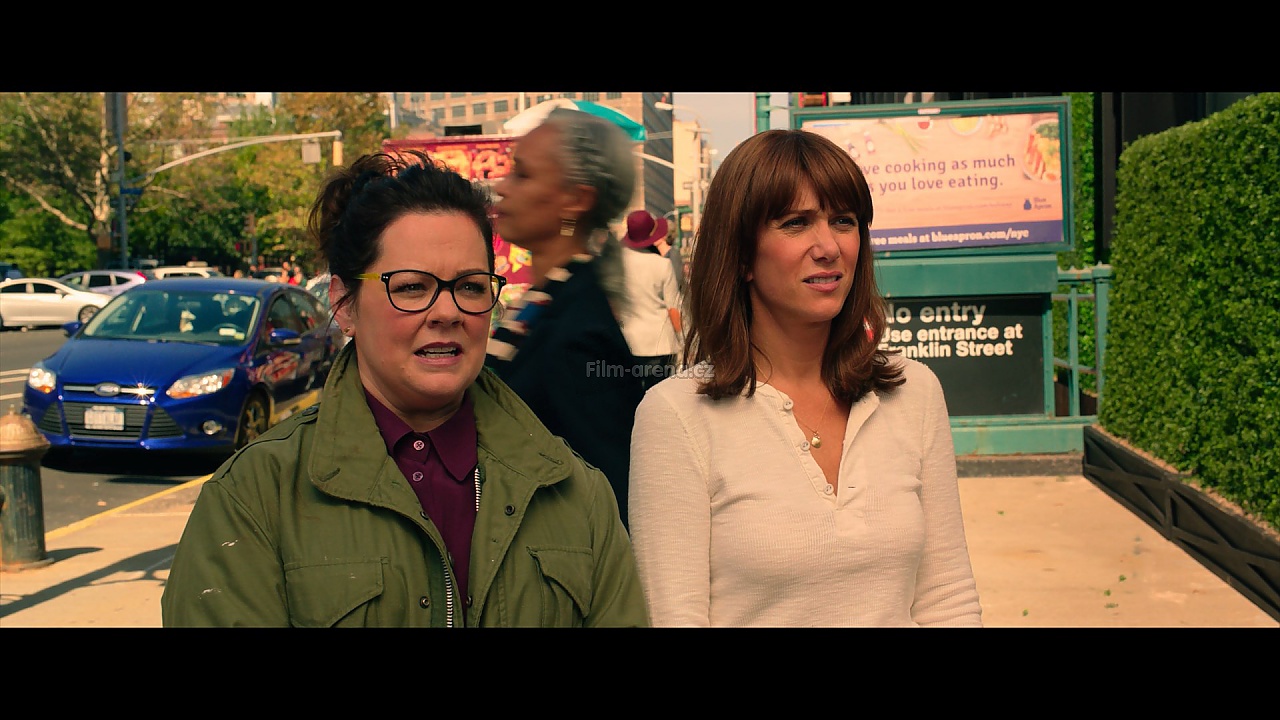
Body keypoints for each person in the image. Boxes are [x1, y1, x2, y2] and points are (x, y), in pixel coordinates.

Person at [162, 150, 648, 627]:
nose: (447, 312)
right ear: (345, 304)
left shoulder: (575, 491)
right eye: (412, 287)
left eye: (471, 286)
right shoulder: (255, 498)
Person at [628, 129, 983, 627]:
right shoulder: (676, 415)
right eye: (796, 223)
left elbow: (948, 599)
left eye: (844, 221)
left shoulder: (914, 392)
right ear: (742, 254)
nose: (829, 247)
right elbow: (674, 616)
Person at [485, 108, 645, 528]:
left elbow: (611, 494)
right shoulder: (546, 301)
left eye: (522, 174)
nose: (501, 187)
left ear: (576, 198)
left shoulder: (579, 332)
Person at [618, 209, 683, 392]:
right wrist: (683, 340)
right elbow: (673, 308)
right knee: (659, 397)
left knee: (633, 398)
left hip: (629, 342)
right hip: (661, 344)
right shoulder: (662, 265)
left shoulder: (619, 265)